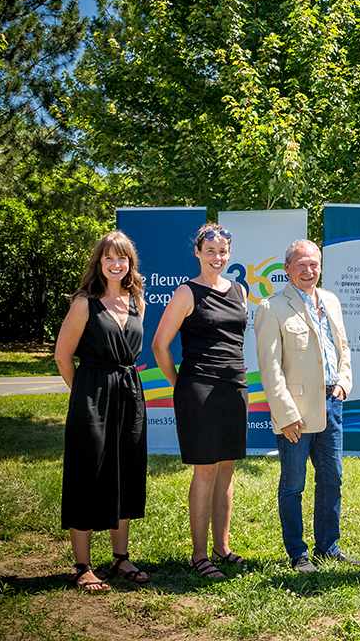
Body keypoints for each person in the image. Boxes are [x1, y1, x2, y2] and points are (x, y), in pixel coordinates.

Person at [256, 239, 360, 573]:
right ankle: (298, 553)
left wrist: (345, 382)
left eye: (314, 264)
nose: (308, 270)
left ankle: (328, 548)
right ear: (287, 268)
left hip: (333, 405)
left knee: (333, 480)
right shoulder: (271, 307)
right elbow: (270, 368)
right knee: (293, 485)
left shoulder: (330, 300)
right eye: (301, 264)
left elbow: (343, 347)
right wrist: (286, 415)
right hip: (296, 414)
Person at [55, 231, 151, 591]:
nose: (116, 264)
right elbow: (63, 357)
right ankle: (82, 566)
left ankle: (120, 557)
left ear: (130, 264)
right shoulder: (85, 303)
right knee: (87, 473)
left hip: (130, 393)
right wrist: (84, 396)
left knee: (124, 472)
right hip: (92, 395)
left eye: (122, 258)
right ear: (99, 263)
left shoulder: (138, 301)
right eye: (109, 258)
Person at [151, 224, 248, 579]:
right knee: (205, 471)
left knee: (227, 469)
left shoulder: (239, 290)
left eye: (223, 252)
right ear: (197, 253)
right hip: (199, 389)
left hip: (233, 387)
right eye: (210, 252)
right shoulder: (186, 292)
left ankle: (222, 548)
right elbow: (160, 346)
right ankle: (198, 554)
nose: (217, 258)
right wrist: (181, 384)